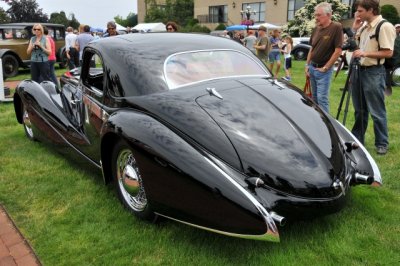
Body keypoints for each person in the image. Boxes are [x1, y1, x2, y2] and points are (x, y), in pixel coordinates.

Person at [350, 0, 396, 155]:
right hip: (359, 71)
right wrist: (355, 29)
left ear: (371, 10)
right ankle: (358, 139)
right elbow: (357, 47)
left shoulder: (385, 26)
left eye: (361, 11)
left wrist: (365, 53)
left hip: (374, 72)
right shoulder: (364, 27)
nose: (357, 13)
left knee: (376, 110)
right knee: (359, 109)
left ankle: (382, 143)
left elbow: (388, 52)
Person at [305, 2, 343, 113]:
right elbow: (312, 48)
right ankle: (318, 121)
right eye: (315, 15)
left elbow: (338, 50)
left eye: (319, 15)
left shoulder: (336, 27)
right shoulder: (316, 28)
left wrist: (326, 68)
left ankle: (327, 126)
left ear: (329, 15)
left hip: (323, 71)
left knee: (322, 99)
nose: (316, 18)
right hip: (312, 67)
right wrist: (307, 65)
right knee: (315, 99)